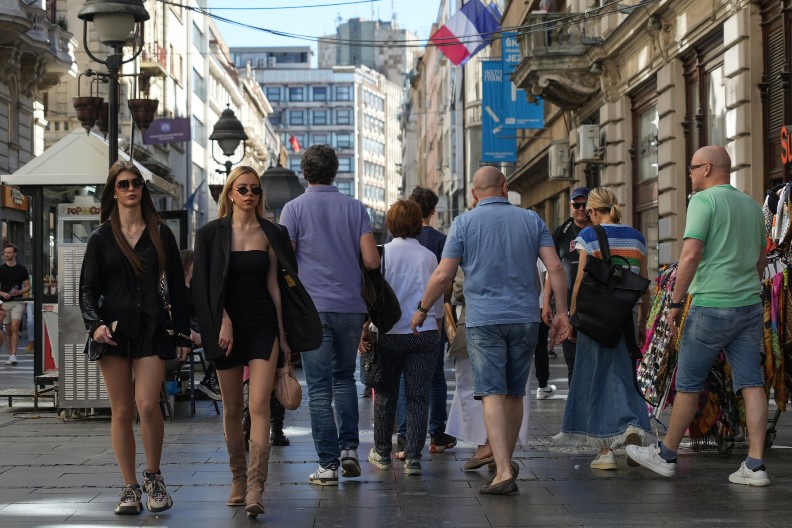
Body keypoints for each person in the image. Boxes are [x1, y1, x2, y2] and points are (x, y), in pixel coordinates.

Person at [411, 166, 573, 495]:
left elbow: (443, 276)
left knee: (491, 392)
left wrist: (422, 309)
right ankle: (505, 460)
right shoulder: (530, 220)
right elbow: (555, 266)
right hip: (525, 318)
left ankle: (501, 470)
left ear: (473, 194)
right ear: (505, 187)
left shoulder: (464, 223)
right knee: (515, 392)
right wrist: (562, 313)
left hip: (484, 320)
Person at [628, 146, 771, 486]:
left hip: (710, 306)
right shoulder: (752, 206)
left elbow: (690, 256)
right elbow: (761, 259)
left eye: (692, 168)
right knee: (752, 383)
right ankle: (755, 464)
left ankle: (665, 455)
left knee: (689, 383)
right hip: (748, 306)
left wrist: (675, 304)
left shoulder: (702, 202)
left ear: (707, 169)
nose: (689, 174)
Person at [79, 160, 191, 515]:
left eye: (137, 184)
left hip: (153, 330)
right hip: (112, 333)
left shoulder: (160, 233)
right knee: (123, 410)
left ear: (143, 190)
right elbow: (86, 289)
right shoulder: (100, 238)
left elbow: (178, 288)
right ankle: (129, 488)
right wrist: (94, 324)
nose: (131, 189)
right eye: (124, 184)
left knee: (147, 404)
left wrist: (184, 335)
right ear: (114, 191)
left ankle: (154, 477)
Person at [192, 166, 292, 517]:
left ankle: (255, 486)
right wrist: (222, 318)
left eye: (255, 190)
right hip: (226, 330)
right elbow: (202, 287)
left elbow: (275, 287)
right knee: (233, 407)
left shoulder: (271, 233)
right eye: (243, 189)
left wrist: (283, 336)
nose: (250, 194)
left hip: (264, 325)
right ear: (230, 194)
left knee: (260, 406)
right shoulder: (209, 234)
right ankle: (237, 477)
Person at [279, 144, 380, 486]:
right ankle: (350, 450)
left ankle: (328, 465)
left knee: (319, 388)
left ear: (304, 173)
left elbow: (285, 261)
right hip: (351, 307)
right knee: (344, 379)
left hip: (312, 309)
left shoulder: (292, 210)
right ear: (335, 171)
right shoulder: (355, 208)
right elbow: (371, 261)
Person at [553, 187, 651, 469]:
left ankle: (606, 451)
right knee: (623, 372)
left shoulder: (588, 236)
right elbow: (644, 283)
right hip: (626, 316)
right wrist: (642, 320)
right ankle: (633, 428)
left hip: (596, 317)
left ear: (594, 212)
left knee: (596, 376)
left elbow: (582, 280)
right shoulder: (636, 237)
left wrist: (573, 317)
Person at [359, 199, 443, 476]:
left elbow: (369, 298)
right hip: (424, 333)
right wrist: (437, 329)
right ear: (419, 222)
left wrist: (365, 329)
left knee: (385, 395)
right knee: (419, 397)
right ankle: (414, 458)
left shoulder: (381, 255)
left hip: (388, 334)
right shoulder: (429, 256)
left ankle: (382, 453)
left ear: (391, 223)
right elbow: (437, 299)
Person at [393, 186, 455, 459]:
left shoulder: (392, 245)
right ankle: (436, 433)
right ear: (432, 211)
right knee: (436, 376)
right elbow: (447, 281)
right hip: (432, 319)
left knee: (406, 380)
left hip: (398, 323)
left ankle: (405, 434)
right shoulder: (441, 242)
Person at [543, 187, 590, 384]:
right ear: (570, 206)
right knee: (573, 364)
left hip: (594, 309)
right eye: (576, 204)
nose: (581, 208)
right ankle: (576, 409)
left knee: (591, 364)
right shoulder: (561, 233)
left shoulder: (597, 231)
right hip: (569, 310)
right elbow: (551, 270)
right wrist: (546, 302)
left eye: (584, 204)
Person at [179, 250, 221, 402]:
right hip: (185, 328)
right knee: (218, 340)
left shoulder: (196, 285)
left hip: (197, 325)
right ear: (187, 264)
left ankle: (210, 380)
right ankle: (210, 381)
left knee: (221, 338)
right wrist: (190, 333)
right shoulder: (177, 287)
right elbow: (172, 313)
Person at [1, 243, 30, 365]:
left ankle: (14, 355)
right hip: (4, 303)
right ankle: (10, 355)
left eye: (9, 252)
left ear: (15, 254)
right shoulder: (1, 269)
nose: (6, 254)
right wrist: (2, 294)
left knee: (15, 326)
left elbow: (28, 287)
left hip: (17, 301)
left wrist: (19, 291)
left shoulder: (22, 269)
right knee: (7, 330)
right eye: (5, 252)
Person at [534, 259, 556, 399]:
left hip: (513, 306)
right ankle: (542, 385)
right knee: (540, 346)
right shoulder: (537, 244)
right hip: (538, 304)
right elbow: (550, 271)